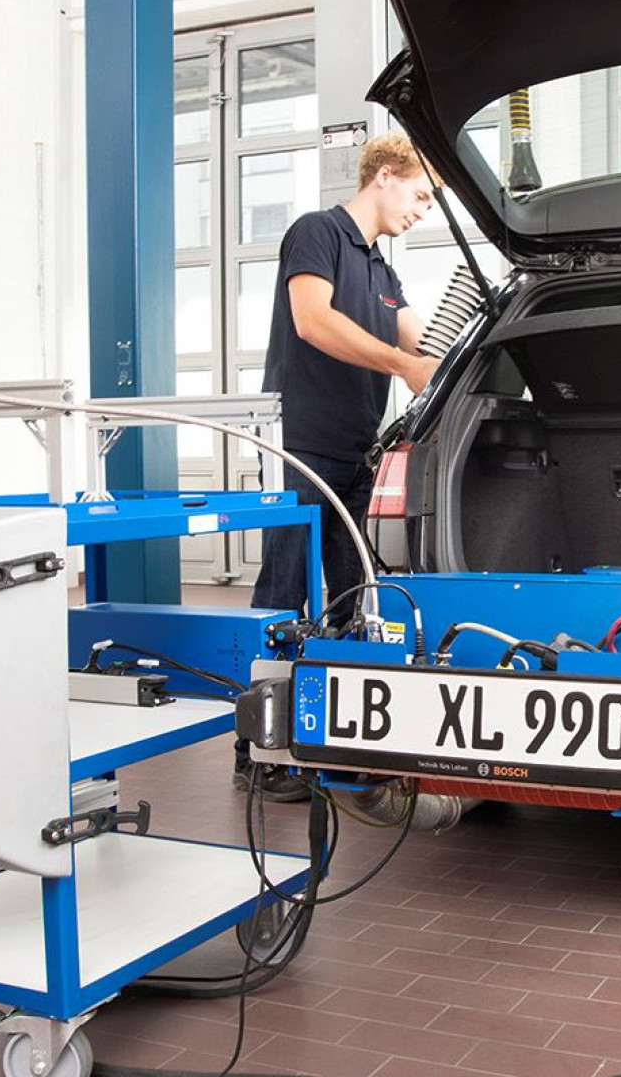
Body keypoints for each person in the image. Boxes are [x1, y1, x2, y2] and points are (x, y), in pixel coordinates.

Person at [239, 133, 441, 800]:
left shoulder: (383, 272)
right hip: (299, 447)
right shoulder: (317, 232)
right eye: (420, 195)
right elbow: (312, 321)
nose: (422, 211)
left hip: (357, 456)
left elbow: (425, 342)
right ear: (384, 175)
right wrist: (405, 366)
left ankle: (334, 740)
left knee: (354, 602)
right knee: (283, 595)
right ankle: (259, 754)